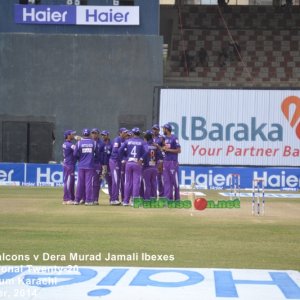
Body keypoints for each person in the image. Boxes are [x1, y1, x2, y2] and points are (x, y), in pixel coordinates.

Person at [119, 127, 145, 206]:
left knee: (128, 182)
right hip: (137, 163)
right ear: (139, 134)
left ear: (133, 134)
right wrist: (141, 158)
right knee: (136, 183)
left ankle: (126, 201)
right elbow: (147, 151)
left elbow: (120, 150)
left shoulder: (127, 141)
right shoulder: (142, 142)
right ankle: (134, 201)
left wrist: (124, 158)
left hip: (129, 163)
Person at [73, 128, 96, 206]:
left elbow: (75, 154)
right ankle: (88, 200)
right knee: (88, 183)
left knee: (80, 183)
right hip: (90, 166)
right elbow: (97, 153)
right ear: (89, 134)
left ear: (83, 134)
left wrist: (80, 158)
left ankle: (77, 200)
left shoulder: (79, 143)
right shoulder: (93, 143)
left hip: (81, 165)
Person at [161, 123, 181, 201]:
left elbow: (179, 150)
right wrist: (163, 149)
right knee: (166, 181)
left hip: (173, 162)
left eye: (163, 129)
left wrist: (168, 150)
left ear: (167, 129)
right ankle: (167, 199)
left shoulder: (174, 138)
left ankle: (177, 199)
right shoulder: (164, 138)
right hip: (166, 162)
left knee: (175, 181)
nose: (163, 130)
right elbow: (163, 148)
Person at [142, 130, 163, 201]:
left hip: (146, 167)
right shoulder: (155, 146)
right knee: (154, 183)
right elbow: (161, 156)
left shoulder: (145, 145)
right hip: (154, 167)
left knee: (147, 184)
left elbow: (143, 156)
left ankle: (147, 199)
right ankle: (153, 198)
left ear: (146, 137)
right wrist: (159, 164)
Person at [109, 128, 128, 205]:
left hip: (119, 162)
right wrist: (123, 159)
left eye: (126, 132)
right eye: (124, 132)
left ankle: (116, 198)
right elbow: (115, 152)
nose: (126, 134)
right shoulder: (117, 139)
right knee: (116, 181)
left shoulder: (125, 141)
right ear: (120, 133)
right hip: (115, 161)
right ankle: (113, 199)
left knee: (119, 181)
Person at [62, 130, 76, 205]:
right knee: (68, 182)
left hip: (68, 164)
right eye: (72, 134)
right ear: (68, 136)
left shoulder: (65, 143)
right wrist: (80, 140)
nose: (73, 135)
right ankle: (67, 199)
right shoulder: (69, 145)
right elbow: (77, 148)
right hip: (69, 165)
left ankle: (71, 198)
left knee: (70, 181)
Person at [91, 128, 104, 205]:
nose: (94, 134)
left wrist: (103, 166)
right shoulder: (89, 142)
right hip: (88, 164)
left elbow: (102, 156)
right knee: (87, 182)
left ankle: (95, 199)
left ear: (98, 134)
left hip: (97, 164)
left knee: (96, 183)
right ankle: (86, 198)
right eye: (92, 133)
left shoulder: (101, 143)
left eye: (95, 133)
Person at [152, 124, 164, 197]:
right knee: (152, 178)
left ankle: (161, 195)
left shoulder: (161, 138)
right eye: (153, 129)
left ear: (159, 130)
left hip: (159, 159)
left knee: (159, 178)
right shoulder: (150, 137)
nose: (154, 130)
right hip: (152, 159)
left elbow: (164, 149)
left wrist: (157, 146)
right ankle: (153, 195)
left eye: (156, 129)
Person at [101, 130, 113, 203]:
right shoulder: (101, 144)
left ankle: (112, 198)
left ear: (108, 135)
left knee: (111, 182)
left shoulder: (111, 144)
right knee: (108, 182)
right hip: (102, 166)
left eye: (104, 135)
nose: (103, 136)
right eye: (102, 135)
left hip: (110, 165)